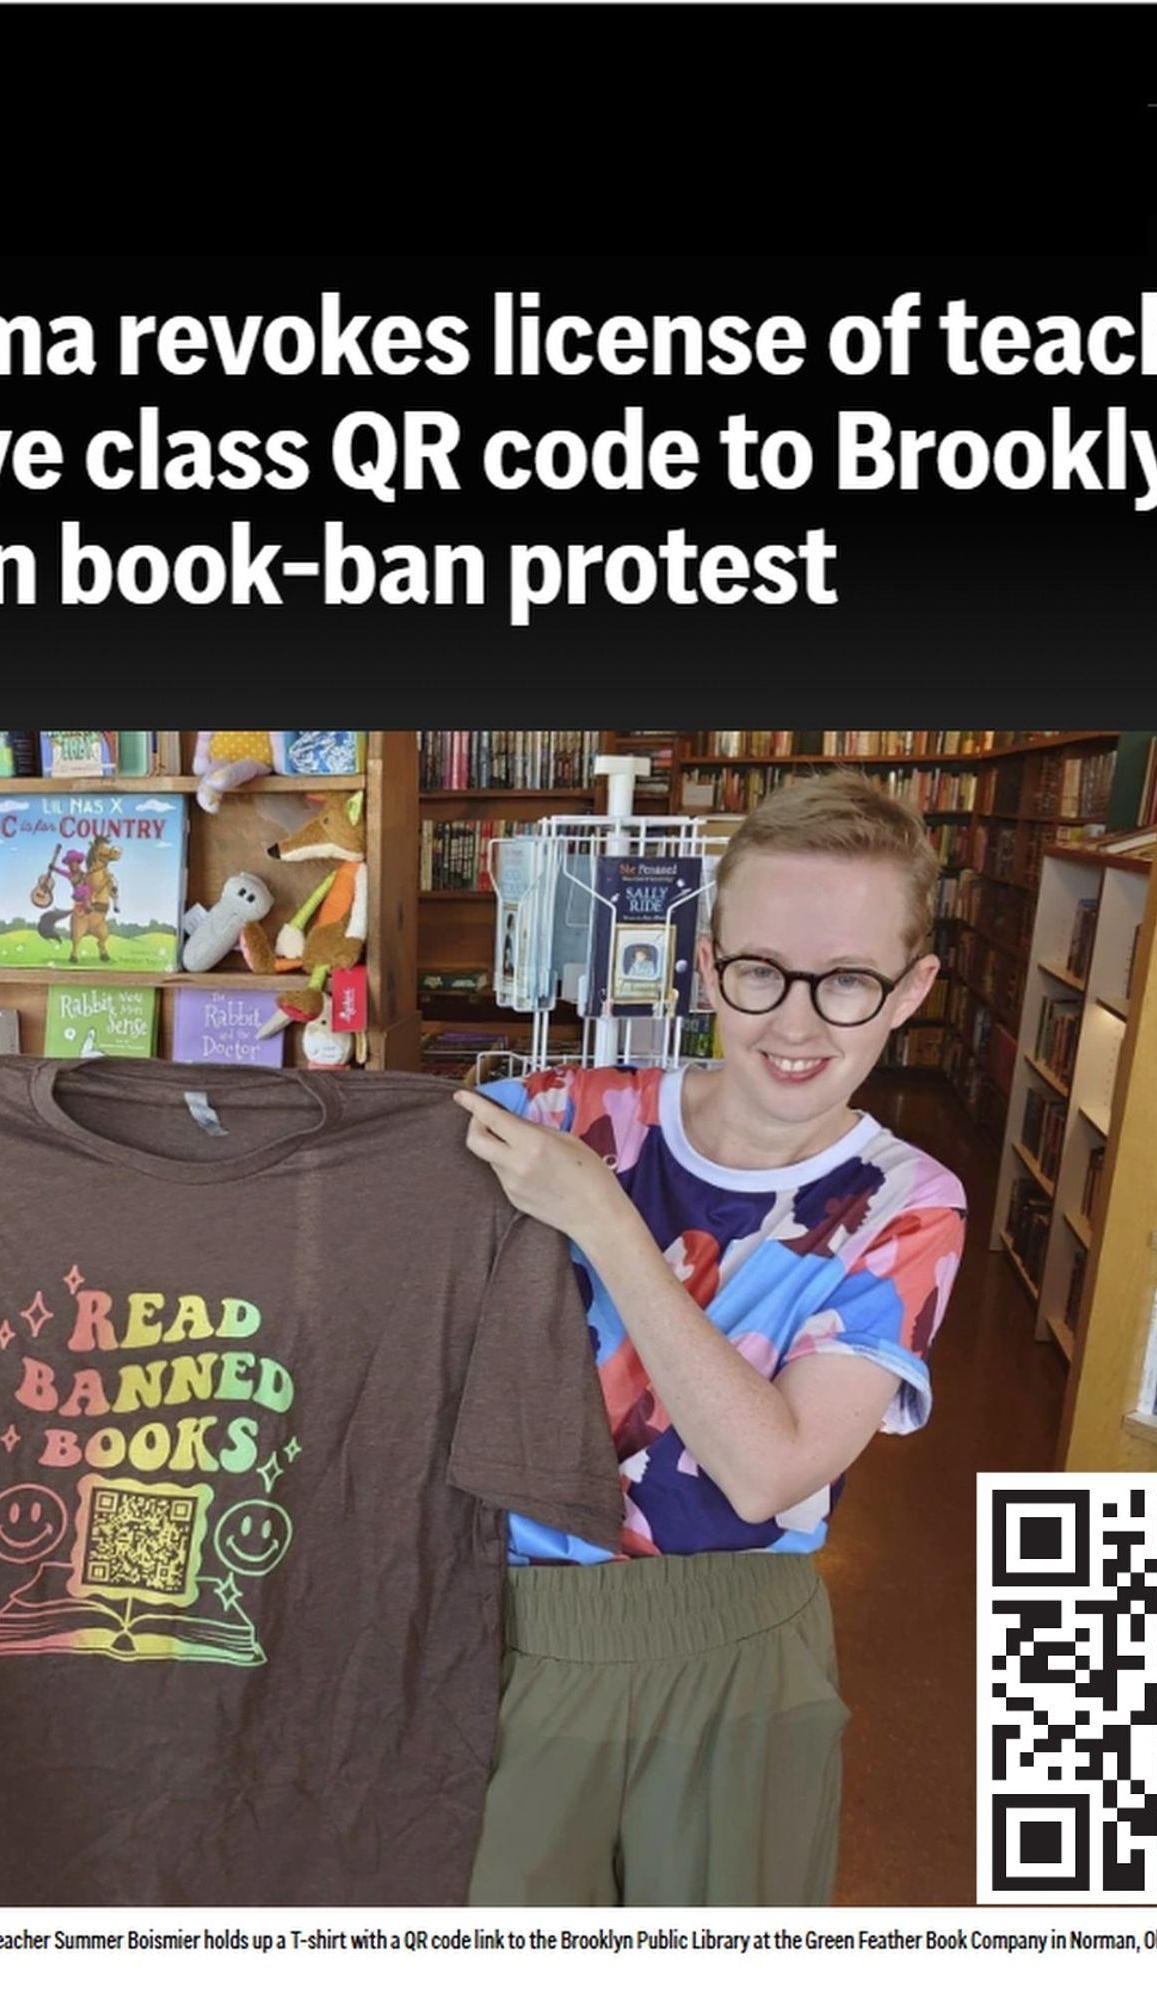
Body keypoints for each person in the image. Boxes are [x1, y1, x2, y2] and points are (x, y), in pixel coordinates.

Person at [455, 769, 968, 1907]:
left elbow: (766, 1468)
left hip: (741, 1644)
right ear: (704, 969)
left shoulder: (907, 1203)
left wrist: (597, 1211)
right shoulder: (558, 1108)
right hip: (517, 1628)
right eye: (757, 972)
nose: (793, 1020)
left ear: (910, 988)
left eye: (845, 981)